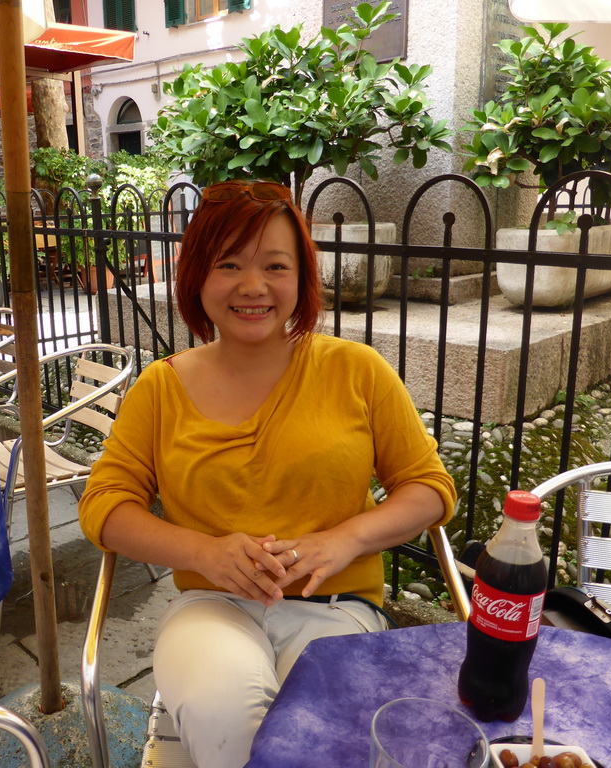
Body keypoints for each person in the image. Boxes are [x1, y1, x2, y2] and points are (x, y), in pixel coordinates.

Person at [79, 179, 456, 767]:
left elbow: (429, 488)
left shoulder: (357, 370)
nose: (253, 286)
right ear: (197, 276)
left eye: (275, 265)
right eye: (229, 263)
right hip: (212, 605)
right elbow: (105, 505)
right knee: (222, 714)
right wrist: (205, 553)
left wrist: (343, 540)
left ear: (301, 278)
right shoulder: (160, 388)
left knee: (321, 730)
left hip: (337, 607)